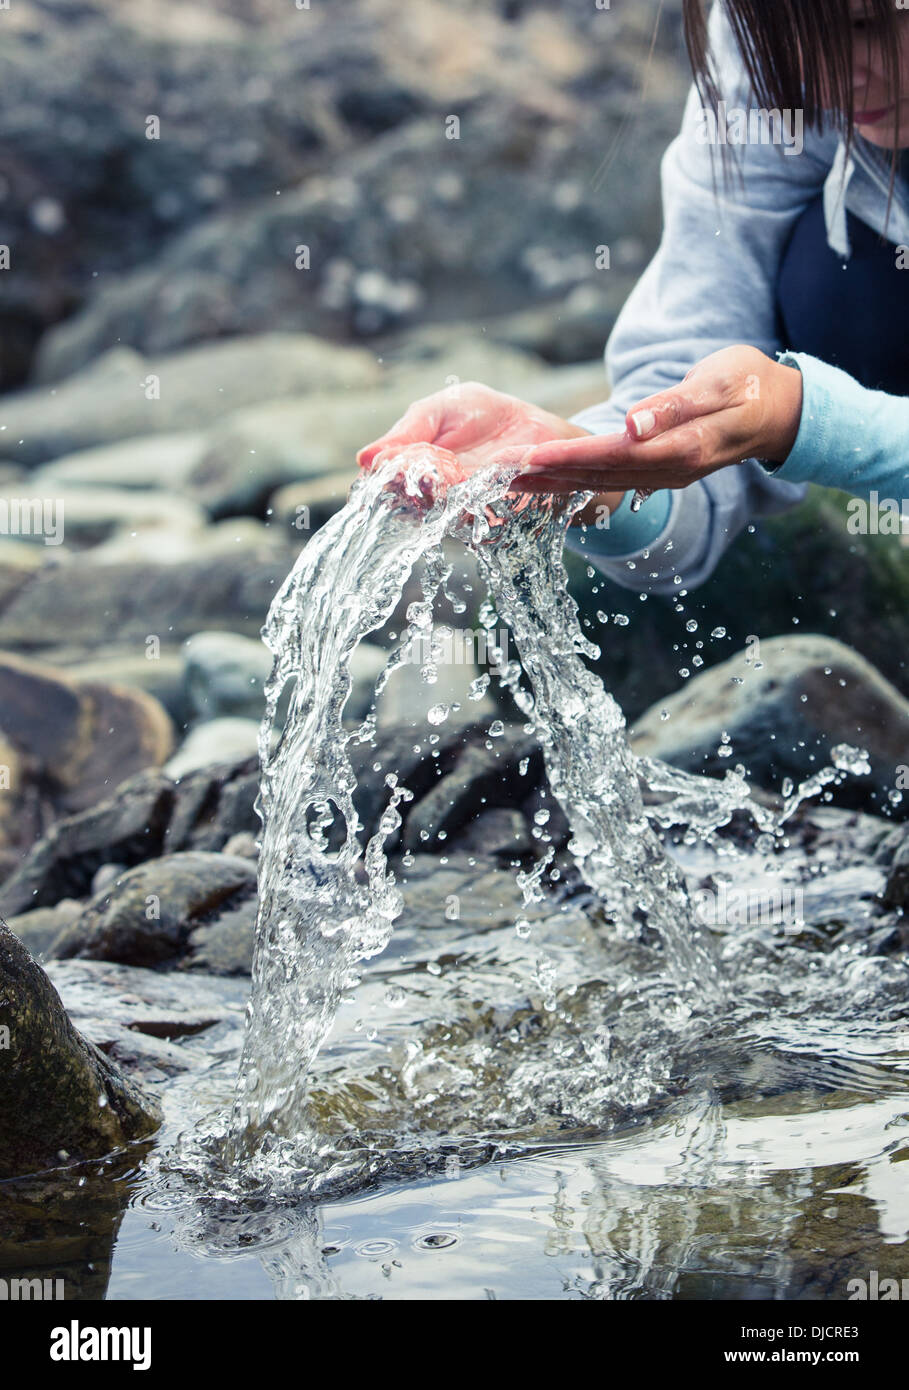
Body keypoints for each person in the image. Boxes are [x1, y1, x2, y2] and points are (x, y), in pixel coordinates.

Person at [358, 0, 909, 596]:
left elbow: (788, 413)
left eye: (863, 25)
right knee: (833, 281)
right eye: (794, 32)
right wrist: (587, 471)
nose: (828, 78)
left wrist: (806, 420)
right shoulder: (773, 48)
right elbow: (700, 364)